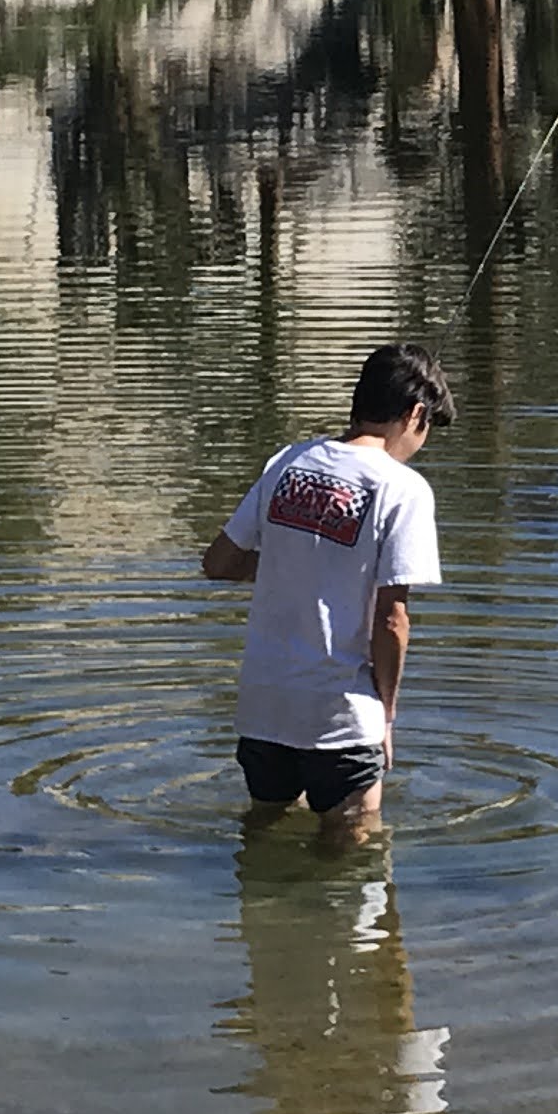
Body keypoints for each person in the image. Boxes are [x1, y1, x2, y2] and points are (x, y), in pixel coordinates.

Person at [201, 343, 451, 846]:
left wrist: (295, 568)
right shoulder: (402, 489)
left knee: (265, 848)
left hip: (264, 708)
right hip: (341, 717)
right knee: (353, 865)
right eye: (425, 431)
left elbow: (218, 563)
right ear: (414, 414)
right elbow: (392, 620)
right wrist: (387, 715)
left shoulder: (287, 462)